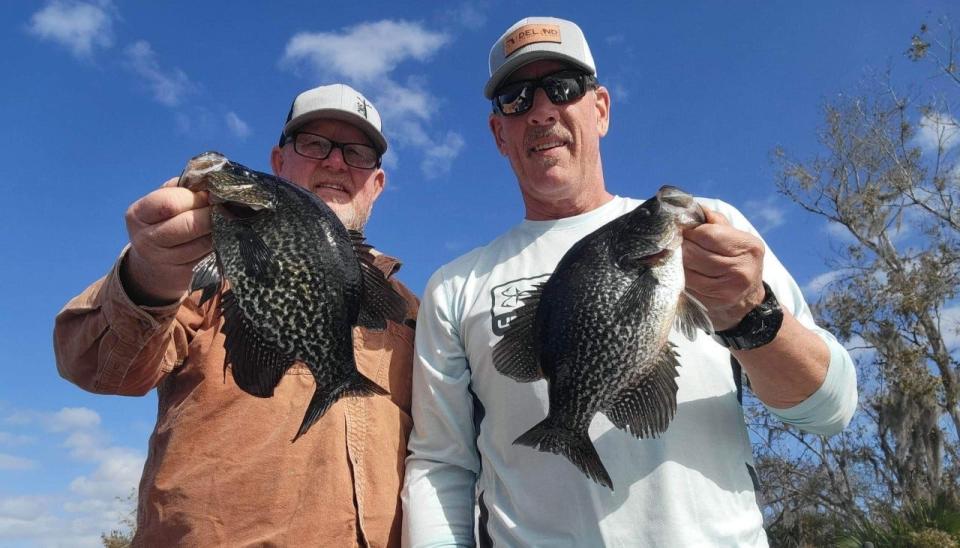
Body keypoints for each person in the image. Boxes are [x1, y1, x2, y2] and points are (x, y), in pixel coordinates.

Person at [401, 17, 857, 547]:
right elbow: (442, 466)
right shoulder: (456, 286)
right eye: (516, 98)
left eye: (564, 89)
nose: (542, 109)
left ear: (600, 109)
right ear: (499, 133)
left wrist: (750, 312)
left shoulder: (715, 232)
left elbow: (832, 409)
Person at [54, 83, 418, 546]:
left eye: (358, 152)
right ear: (278, 162)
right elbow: (99, 368)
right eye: (313, 144)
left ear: (377, 184)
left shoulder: (410, 312)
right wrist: (149, 275)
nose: (335, 162)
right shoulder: (204, 263)